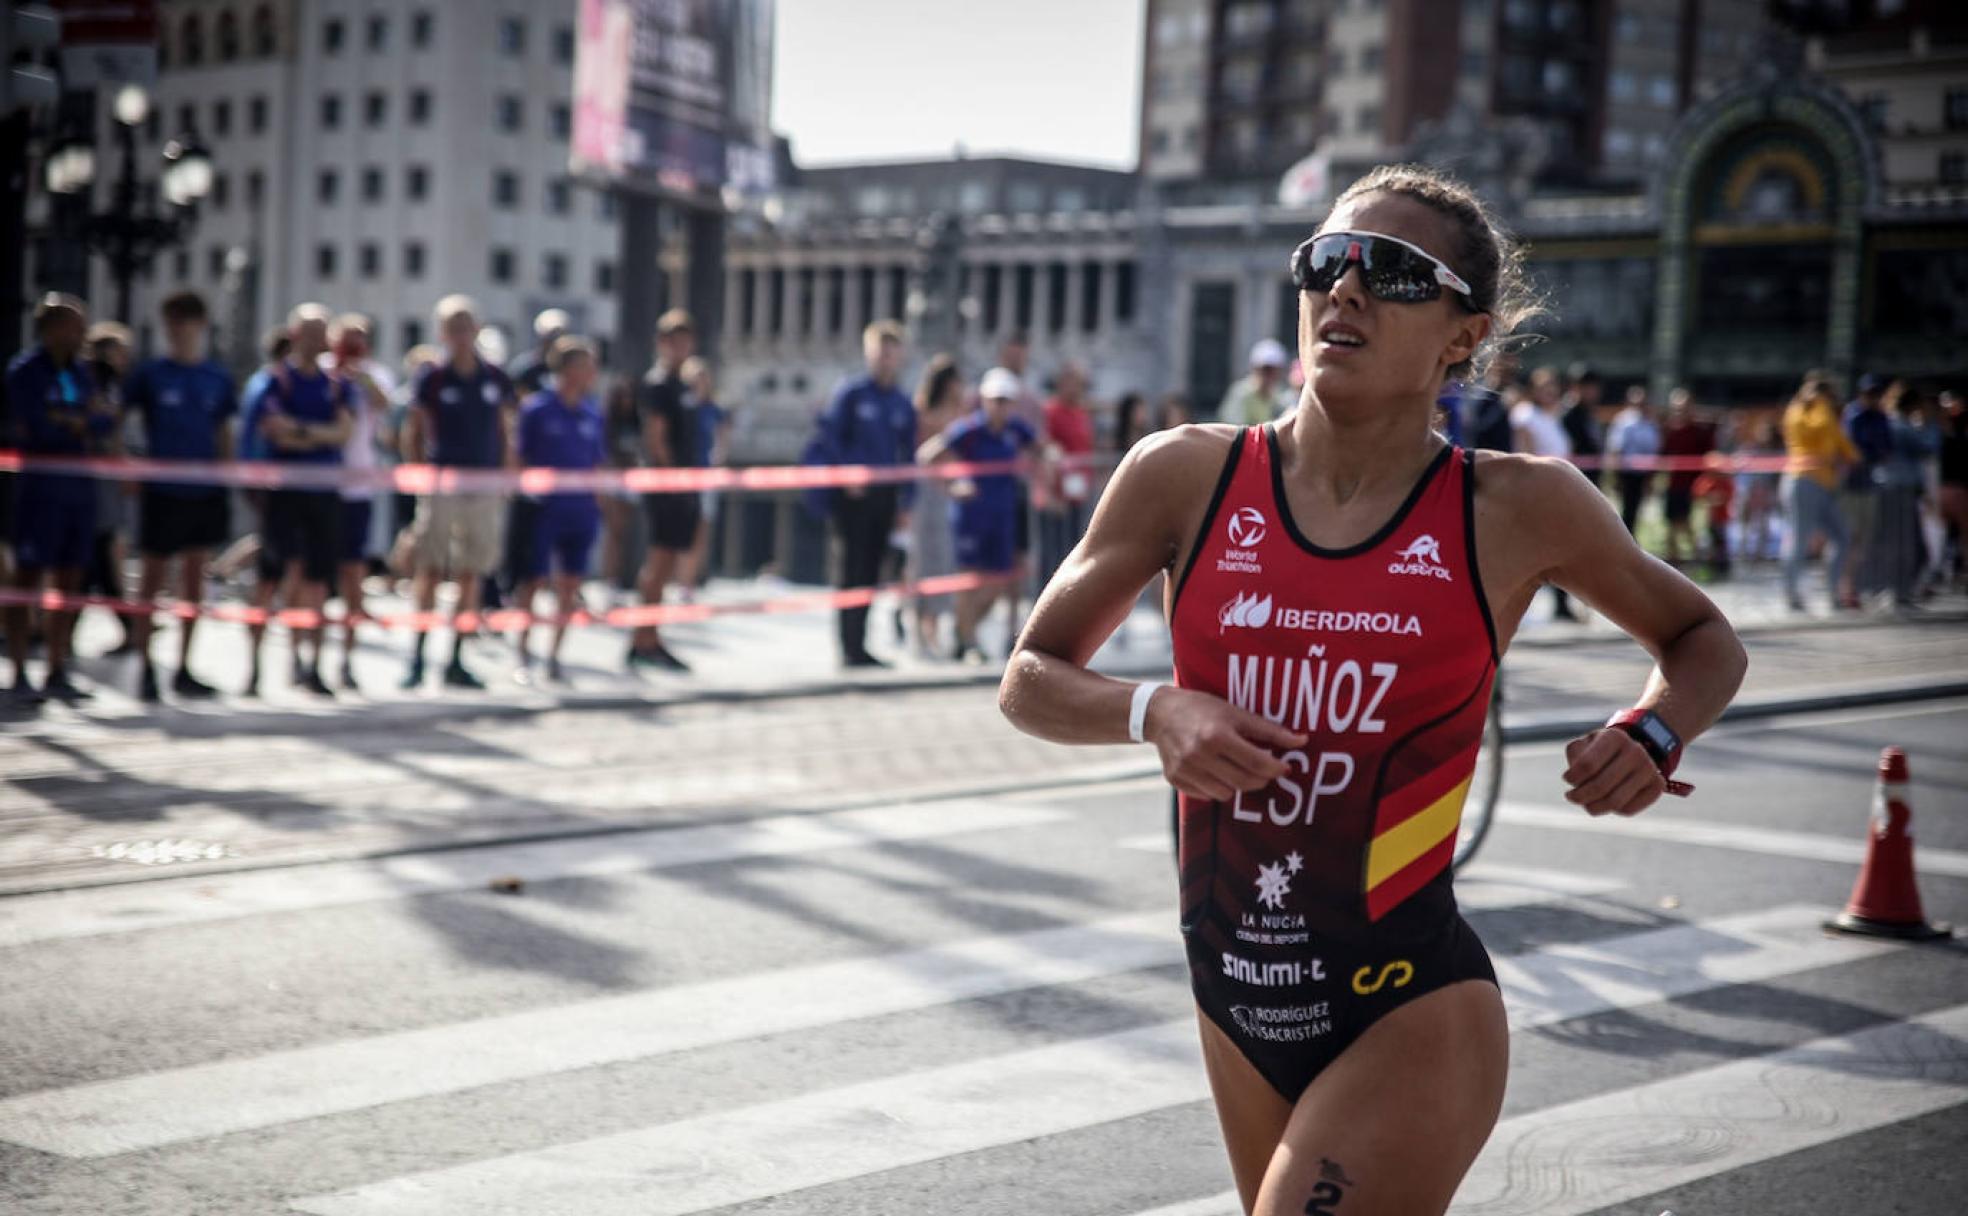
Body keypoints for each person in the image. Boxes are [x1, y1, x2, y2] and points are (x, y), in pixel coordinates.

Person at [997, 164, 1746, 1216]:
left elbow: (1704, 635)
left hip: (1407, 999)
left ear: (1460, 334)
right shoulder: (1184, 474)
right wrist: (1153, 709)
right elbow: (1028, 678)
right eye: (1326, 261)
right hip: (1232, 986)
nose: (1343, 290)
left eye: (1391, 272)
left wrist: (1655, 732)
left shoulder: (1515, 506)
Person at [400, 295, 515, 690]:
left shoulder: (495, 377)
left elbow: (505, 431)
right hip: (442, 483)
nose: (462, 336)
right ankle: (417, 655)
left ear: (477, 330)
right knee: (429, 569)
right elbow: (413, 430)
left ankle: (457, 658)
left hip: (482, 485)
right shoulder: (431, 377)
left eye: (467, 326)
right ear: (442, 334)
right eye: (454, 328)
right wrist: (420, 474)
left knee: (473, 572)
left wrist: (505, 477)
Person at [126, 290, 237, 701]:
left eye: (187, 322)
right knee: (152, 578)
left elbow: (224, 431)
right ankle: (146, 667)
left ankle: (184, 667)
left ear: (201, 326)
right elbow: (122, 421)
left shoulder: (216, 377)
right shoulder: (151, 374)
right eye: (174, 323)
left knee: (194, 579)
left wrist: (226, 478)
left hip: (204, 492)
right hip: (162, 492)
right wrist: (128, 465)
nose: (180, 331)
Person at [240, 303, 354, 696]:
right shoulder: (274, 381)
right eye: (308, 331)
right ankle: (253, 669)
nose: (315, 340)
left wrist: (302, 432)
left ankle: (308, 665)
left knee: (318, 583)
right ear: (293, 334)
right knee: (272, 579)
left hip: (323, 494)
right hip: (283, 494)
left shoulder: (337, 383)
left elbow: (344, 433)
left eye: (321, 332)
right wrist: (318, 433)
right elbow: (274, 430)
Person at [5, 294, 112, 705]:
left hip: (78, 490)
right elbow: (36, 425)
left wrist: (75, 421)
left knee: (71, 580)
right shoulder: (27, 371)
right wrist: (78, 421)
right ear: (50, 329)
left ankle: (56, 665)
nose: (81, 334)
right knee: (28, 577)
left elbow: (102, 418)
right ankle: (18, 668)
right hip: (40, 490)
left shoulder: (83, 372)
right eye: (73, 325)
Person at [920, 366, 1041, 664]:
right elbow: (927, 456)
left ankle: (964, 632)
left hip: (1004, 517)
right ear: (984, 400)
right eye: (995, 400)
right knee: (969, 580)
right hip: (971, 517)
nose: (999, 407)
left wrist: (1047, 463)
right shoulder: (968, 430)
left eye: (1005, 400)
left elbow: (1042, 448)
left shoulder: (1016, 430)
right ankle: (968, 640)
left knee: (998, 582)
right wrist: (952, 486)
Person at [819, 320, 919, 668]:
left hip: (884, 496)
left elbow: (910, 454)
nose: (886, 359)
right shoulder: (851, 393)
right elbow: (830, 438)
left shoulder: (901, 403)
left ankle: (860, 645)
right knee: (850, 570)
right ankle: (847, 646)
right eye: (880, 352)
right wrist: (846, 473)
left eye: (891, 353)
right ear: (868, 354)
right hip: (852, 497)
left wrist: (907, 501)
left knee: (874, 570)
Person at [513, 337, 606, 683]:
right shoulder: (536, 409)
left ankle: (554, 657)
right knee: (533, 582)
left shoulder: (592, 412)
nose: (592, 373)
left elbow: (596, 463)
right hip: (543, 510)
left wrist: (598, 505)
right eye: (585, 365)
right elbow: (519, 458)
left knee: (570, 585)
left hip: (580, 511)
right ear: (567, 368)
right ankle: (522, 654)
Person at [627, 309, 701, 672]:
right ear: (662, 344)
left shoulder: (683, 385)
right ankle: (643, 636)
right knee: (657, 562)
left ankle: (651, 635)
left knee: (668, 562)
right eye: (674, 341)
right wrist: (674, 481)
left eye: (685, 341)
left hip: (682, 483)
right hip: (667, 485)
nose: (681, 348)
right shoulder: (657, 385)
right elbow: (656, 439)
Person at [324, 313, 394, 691]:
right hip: (321, 485)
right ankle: (307, 659)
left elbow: (386, 409)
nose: (352, 348)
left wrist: (361, 378)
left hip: (358, 488)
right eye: (346, 340)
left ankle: (346, 662)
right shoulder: (321, 373)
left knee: (354, 575)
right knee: (313, 576)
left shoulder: (375, 376)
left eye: (360, 341)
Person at [1780, 370, 1858, 612]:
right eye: (1828, 395)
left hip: (1824, 484)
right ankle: (1792, 594)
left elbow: (1839, 441)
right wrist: (1821, 403)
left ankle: (1833, 594)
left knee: (1842, 537)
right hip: (1802, 481)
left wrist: (1853, 456)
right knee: (1800, 539)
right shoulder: (1798, 411)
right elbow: (1822, 429)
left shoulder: (1821, 412)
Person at [906, 355, 966, 659]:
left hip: (948, 493)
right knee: (922, 562)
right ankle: (917, 630)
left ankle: (933, 629)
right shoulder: (923, 411)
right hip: (925, 494)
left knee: (944, 562)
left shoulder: (959, 413)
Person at [81, 322, 135, 657]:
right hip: (85, 490)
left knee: (98, 558)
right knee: (92, 561)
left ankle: (128, 627)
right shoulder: (87, 383)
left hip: (104, 490)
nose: (122, 360)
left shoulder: (113, 388)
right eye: (117, 353)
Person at [1511, 366, 1577, 619]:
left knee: (1557, 550)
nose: (1550, 393)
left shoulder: (1552, 416)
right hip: (1537, 491)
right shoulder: (1526, 415)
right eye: (1544, 388)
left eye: (1553, 388)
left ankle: (1561, 604)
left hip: (1558, 488)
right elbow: (1525, 454)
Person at [1038, 362, 1097, 590]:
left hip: (1078, 495)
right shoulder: (1051, 411)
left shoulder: (1082, 413)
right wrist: (1052, 493)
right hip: (1057, 498)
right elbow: (1047, 450)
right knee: (1053, 553)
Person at [675, 355, 730, 600]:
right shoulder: (681, 406)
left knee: (700, 531)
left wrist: (718, 460)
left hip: (705, 476)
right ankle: (677, 578)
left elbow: (722, 437)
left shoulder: (714, 410)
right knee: (679, 530)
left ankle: (689, 582)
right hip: (682, 476)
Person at [1840, 374, 1892, 607]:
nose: (1872, 398)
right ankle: (1846, 588)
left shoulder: (1880, 417)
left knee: (1865, 541)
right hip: (1850, 486)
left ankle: (1858, 588)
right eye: (1869, 393)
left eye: (1875, 394)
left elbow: (1885, 449)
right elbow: (1853, 451)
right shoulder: (1853, 415)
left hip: (1869, 484)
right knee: (1848, 539)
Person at [1659, 388, 1714, 566]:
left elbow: (1709, 457)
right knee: (1670, 524)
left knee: (1685, 523)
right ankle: (1673, 561)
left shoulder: (1700, 431)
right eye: (1677, 408)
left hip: (1691, 485)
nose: (1679, 412)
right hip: (1672, 484)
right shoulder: (1669, 430)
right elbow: (1663, 455)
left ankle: (1699, 559)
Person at [1605, 386, 1661, 536]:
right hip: (1626, 473)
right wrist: (1615, 476)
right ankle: (1622, 540)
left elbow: (1654, 450)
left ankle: (1630, 541)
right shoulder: (1623, 421)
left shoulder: (1651, 423)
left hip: (1643, 474)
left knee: (1637, 510)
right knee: (1624, 510)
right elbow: (1616, 448)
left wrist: (1651, 477)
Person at [1219, 339, 1292, 426]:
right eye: (1265, 370)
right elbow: (1234, 428)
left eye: (1273, 371)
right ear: (1255, 369)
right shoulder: (1241, 394)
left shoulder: (1279, 396)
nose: (1269, 376)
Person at [1559, 363, 1604, 469]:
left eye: (1594, 386)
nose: (1591, 391)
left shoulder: (1589, 413)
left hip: (1592, 475)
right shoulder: (1568, 415)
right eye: (1586, 386)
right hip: (1575, 475)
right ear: (1574, 387)